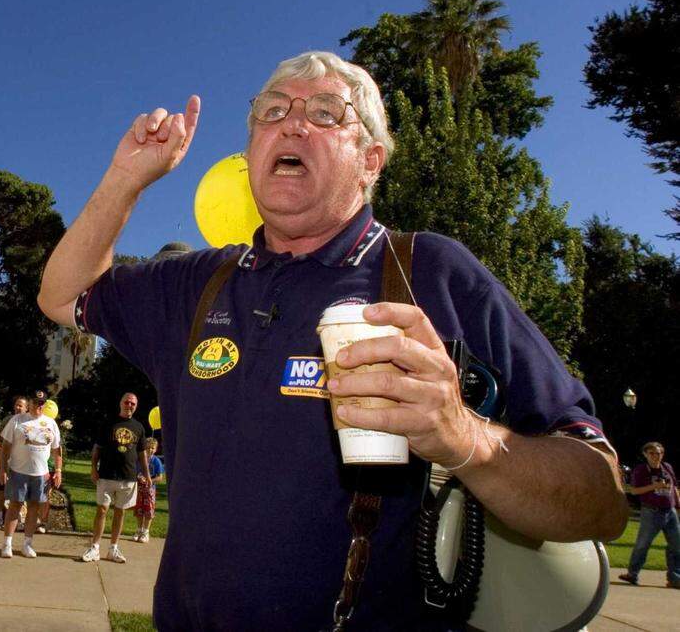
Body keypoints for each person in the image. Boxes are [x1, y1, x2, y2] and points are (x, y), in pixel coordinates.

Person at [36, 50, 628, 628]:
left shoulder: (431, 273)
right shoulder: (197, 282)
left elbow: (600, 496)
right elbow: (61, 296)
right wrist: (126, 179)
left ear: (370, 160)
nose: (290, 122)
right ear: (250, 155)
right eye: (270, 111)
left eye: (324, 112)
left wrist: (460, 433)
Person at [81, 393, 149, 563]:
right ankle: (95, 548)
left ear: (136, 406)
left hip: (128, 477)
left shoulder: (139, 427)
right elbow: (97, 449)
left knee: (120, 512)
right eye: (126, 402)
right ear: (120, 403)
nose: (129, 405)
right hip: (106, 475)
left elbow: (142, 454)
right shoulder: (108, 423)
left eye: (133, 403)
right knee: (102, 510)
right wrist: (93, 469)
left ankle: (113, 548)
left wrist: (147, 474)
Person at [0, 390, 62, 559]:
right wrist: (3, 469)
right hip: (19, 471)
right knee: (15, 505)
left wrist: (58, 471)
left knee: (34, 507)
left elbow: (57, 450)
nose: (38, 406)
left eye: (41, 403)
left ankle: (27, 544)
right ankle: (7, 544)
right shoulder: (17, 420)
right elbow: (5, 447)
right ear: (30, 403)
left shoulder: (50, 423)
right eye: (35, 402)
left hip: (40, 474)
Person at [619, 442, 680, 588]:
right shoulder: (641, 470)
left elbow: (674, 487)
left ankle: (675, 578)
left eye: (659, 453)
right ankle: (632, 574)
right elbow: (634, 491)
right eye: (652, 453)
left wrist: (677, 505)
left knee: (677, 545)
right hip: (651, 512)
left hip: (670, 511)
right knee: (643, 544)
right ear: (645, 454)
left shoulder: (667, 467)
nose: (656, 456)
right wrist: (655, 486)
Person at [0, 395, 28, 528]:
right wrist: (0, 451)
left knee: (20, 491)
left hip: (21, 462)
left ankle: (20, 518)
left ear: (26, 408)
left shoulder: (29, 422)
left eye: (21, 405)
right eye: (16, 405)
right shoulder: (8, 420)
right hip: (6, 460)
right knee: (2, 490)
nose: (18, 408)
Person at [133, 437, 164, 542]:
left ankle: (146, 532)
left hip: (150, 490)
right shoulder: (139, 460)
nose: (150, 450)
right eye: (148, 447)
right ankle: (139, 530)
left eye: (152, 448)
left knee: (148, 511)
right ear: (144, 448)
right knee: (139, 510)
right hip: (139, 489)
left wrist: (150, 480)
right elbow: (134, 472)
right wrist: (138, 477)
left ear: (155, 449)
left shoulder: (156, 461)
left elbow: (160, 477)